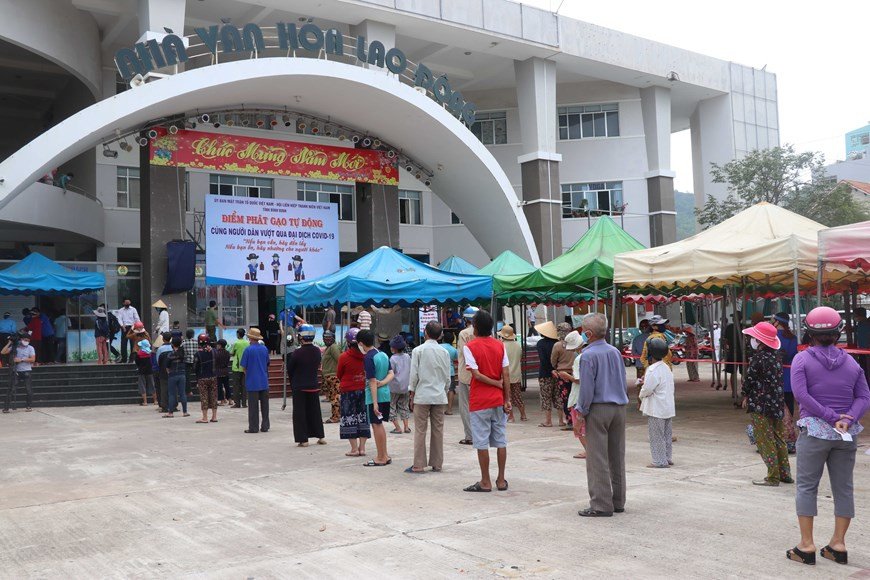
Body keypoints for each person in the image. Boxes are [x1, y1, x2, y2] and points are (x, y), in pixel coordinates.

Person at [787, 307, 870, 566]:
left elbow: (802, 396)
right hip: (845, 435)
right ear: (839, 333)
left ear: (809, 332)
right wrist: (847, 418)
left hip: (814, 432)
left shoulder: (801, 360)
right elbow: (864, 397)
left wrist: (829, 416)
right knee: (843, 488)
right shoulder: (851, 362)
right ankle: (838, 544)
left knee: (807, 487)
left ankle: (807, 545)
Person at [576, 313, 628, 517]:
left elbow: (586, 390)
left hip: (598, 409)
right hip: (619, 407)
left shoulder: (587, 356)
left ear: (588, 333)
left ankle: (600, 504)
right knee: (617, 456)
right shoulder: (615, 352)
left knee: (597, 459)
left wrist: (580, 413)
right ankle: (618, 501)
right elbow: (623, 380)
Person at [462, 310, 511, 493]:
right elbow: (506, 373)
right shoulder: (500, 346)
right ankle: (500, 479)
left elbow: (476, 374)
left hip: (480, 400)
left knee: (481, 442)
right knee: (501, 440)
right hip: (498, 400)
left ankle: (485, 481)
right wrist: (506, 398)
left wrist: (495, 383)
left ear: (475, 327)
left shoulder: (470, 347)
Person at [740, 321, 791, 487]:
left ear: (760, 341)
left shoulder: (758, 359)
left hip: (760, 404)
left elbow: (749, 381)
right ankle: (785, 474)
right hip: (776, 403)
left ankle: (772, 476)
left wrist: (745, 395)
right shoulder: (777, 358)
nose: (750, 340)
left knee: (764, 439)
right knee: (778, 438)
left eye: (753, 337)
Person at [407, 321, 451, 474]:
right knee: (438, 430)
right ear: (440, 335)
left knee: (420, 430)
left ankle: (418, 464)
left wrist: (412, 393)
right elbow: (447, 377)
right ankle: (437, 463)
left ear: (425, 332)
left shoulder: (418, 351)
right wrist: (443, 390)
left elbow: (414, 375)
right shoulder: (444, 352)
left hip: (422, 395)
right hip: (439, 396)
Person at [639, 337, 675, 468]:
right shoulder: (666, 368)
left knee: (656, 436)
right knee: (666, 434)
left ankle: (659, 461)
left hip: (656, 408)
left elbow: (647, 389)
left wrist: (641, 394)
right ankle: (667, 457)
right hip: (668, 407)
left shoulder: (652, 370)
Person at [358, 329, 393, 466]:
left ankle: (381, 457)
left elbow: (372, 381)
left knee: (376, 425)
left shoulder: (368, 358)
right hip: (385, 394)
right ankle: (384, 454)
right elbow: (391, 374)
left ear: (361, 343)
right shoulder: (383, 354)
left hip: (374, 396)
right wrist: (382, 383)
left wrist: (374, 403)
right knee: (380, 426)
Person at [288, 324, 326, 446]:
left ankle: (303, 439)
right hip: (313, 385)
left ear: (300, 337)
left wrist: (292, 383)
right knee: (315, 412)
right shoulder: (316, 351)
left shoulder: (296, 353)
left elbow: (291, 370)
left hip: (299, 386)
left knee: (300, 414)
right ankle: (320, 436)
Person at [337, 327, 369, 457]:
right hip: (364, 389)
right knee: (363, 417)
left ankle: (354, 449)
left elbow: (339, 374)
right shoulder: (367, 356)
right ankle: (362, 448)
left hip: (348, 391)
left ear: (348, 342)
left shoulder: (344, 356)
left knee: (349, 418)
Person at [772, 312, 799, 453]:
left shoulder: (773, 336)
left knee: (777, 407)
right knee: (789, 405)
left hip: (776, 375)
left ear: (777, 322)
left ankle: (779, 436)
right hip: (790, 376)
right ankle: (790, 434)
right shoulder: (793, 337)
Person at [240, 328, 270, 433]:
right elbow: (267, 363)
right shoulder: (264, 349)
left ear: (250, 338)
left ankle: (254, 427)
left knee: (253, 407)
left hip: (252, 381)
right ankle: (265, 426)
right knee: (265, 406)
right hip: (264, 381)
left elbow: (244, 367)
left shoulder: (248, 350)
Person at [455, 306, 478, 445]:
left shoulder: (463, 333)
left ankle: (470, 436)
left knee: (465, 406)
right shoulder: (484, 333)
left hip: (466, 374)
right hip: (481, 374)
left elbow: (465, 353)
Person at [2, 333, 36, 412]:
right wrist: (9, 343)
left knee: (28, 389)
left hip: (27, 371)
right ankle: (6, 407)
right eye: (25, 340)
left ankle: (28, 406)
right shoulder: (15, 347)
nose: (26, 342)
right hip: (15, 371)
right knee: (10, 389)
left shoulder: (30, 348)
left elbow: (33, 359)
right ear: (21, 340)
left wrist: (21, 360)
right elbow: (3, 352)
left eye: (28, 340)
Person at [535, 320, 560, 428]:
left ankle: (548, 421)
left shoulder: (540, 344)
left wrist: (550, 370)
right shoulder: (557, 343)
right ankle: (561, 420)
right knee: (558, 396)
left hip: (545, 373)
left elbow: (543, 359)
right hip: (558, 373)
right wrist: (555, 370)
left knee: (546, 397)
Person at [499, 325, 526, 422]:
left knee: (507, 397)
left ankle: (511, 417)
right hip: (516, 374)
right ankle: (523, 415)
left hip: (505, 374)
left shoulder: (501, 345)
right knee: (517, 395)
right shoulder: (518, 345)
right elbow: (520, 358)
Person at [551, 322, 575, 428]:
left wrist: (556, 367)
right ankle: (577, 418)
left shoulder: (557, 345)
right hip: (575, 373)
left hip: (562, 374)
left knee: (565, 398)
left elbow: (553, 360)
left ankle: (570, 420)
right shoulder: (575, 344)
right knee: (575, 396)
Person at [388, 335, 412, 434]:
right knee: (404, 406)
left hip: (394, 387)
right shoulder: (407, 357)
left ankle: (397, 428)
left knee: (391, 406)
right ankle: (406, 427)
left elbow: (391, 372)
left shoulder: (392, 359)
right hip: (406, 386)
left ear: (394, 348)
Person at [161, 337, 188, 418]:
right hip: (182, 374)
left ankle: (171, 412)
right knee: (182, 393)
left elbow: (167, 366)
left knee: (172, 394)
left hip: (173, 375)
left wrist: (169, 372)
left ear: (172, 344)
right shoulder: (183, 353)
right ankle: (185, 412)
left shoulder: (170, 354)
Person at [193, 334, 217, 424]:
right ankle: (214, 416)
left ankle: (205, 417)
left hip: (202, 378)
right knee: (214, 396)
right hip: (213, 376)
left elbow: (194, 367)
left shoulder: (197, 354)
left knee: (204, 397)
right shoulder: (213, 351)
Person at [321, 330, 341, 424]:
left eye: (329, 338)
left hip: (333, 376)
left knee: (334, 398)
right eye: (325, 338)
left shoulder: (333, 347)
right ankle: (336, 415)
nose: (327, 339)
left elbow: (339, 359)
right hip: (328, 376)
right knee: (332, 397)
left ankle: (336, 416)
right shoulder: (328, 348)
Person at [116, 298, 140, 363]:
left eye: (129, 303)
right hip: (124, 328)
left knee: (132, 344)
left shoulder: (133, 309)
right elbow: (119, 319)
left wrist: (136, 327)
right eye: (126, 303)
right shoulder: (121, 310)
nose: (128, 304)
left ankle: (131, 359)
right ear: (123, 303)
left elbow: (137, 318)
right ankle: (124, 359)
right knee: (123, 344)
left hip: (132, 328)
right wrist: (122, 325)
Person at [135, 339, 157, 406]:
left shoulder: (139, 354)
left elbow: (137, 362)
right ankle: (155, 401)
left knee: (142, 386)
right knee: (152, 385)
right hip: (150, 371)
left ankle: (145, 402)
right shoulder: (151, 353)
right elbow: (153, 362)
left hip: (141, 371)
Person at [230, 328, 249, 408]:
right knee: (244, 386)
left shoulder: (236, 343)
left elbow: (232, 353)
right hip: (246, 367)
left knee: (236, 386)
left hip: (237, 367)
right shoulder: (248, 343)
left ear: (238, 334)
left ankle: (237, 403)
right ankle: (244, 403)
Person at [155, 332, 174, 412]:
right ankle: (174, 405)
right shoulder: (173, 348)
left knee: (163, 389)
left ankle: (165, 406)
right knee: (173, 389)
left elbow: (157, 360)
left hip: (163, 371)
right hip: (173, 371)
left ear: (162, 339)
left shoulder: (160, 349)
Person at [440, 330, 458, 415]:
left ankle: (439, 409)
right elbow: (457, 359)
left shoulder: (439, 347)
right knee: (451, 390)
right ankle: (449, 409)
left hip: (439, 371)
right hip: (450, 371)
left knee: (439, 389)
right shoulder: (454, 350)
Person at [723, 312, 744, 380]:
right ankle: (744, 389)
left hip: (733, 352)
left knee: (733, 373)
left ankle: (733, 390)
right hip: (742, 352)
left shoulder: (729, 327)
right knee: (743, 373)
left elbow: (725, 341)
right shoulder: (744, 327)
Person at [630, 319, 651, 385]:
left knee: (640, 385)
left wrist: (640, 358)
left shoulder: (636, 339)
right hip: (651, 365)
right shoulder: (653, 338)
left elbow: (633, 353)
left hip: (640, 365)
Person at [853, 306, 870, 383]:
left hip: (868, 351)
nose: (854, 317)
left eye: (855, 315)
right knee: (864, 369)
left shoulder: (868, 324)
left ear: (860, 315)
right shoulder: (859, 324)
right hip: (862, 351)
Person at [214, 339, 232, 406]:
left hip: (218, 372)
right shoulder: (227, 353)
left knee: (219, 387)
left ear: (220, 345)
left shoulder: (216, 353)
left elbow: (215, 363)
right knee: (227, 386)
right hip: (225, 371)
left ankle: (222, 401)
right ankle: (230, 400)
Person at [182, 328, 197, 393]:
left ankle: (189, 391)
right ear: (193, 335)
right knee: (198, 373)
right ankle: (198, 384)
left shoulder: (183, 342)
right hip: (195, 361)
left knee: (187, 376)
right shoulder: (196, 342)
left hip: (186, 361)